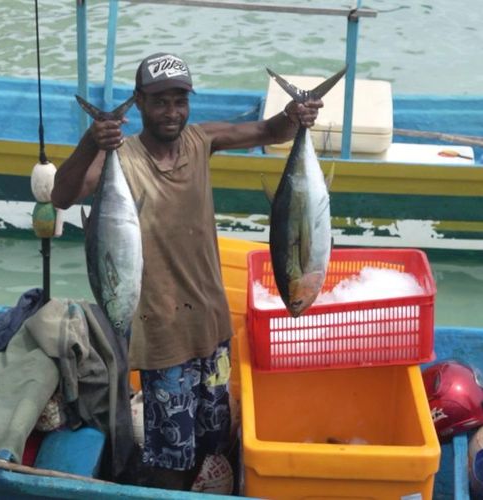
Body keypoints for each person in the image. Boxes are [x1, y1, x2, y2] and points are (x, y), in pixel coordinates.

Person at [51, 53, 322, 491]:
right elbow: (62, 196)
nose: (172, 112)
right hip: (162, 338)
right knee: (171, 455)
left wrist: (296, 114)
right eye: (160, 102)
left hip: (212, 328)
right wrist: (92, 142)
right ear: (138, 102)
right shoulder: (123, 157)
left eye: (180, 101)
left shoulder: (201, 140)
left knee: (215, 438)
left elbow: (271, 131)